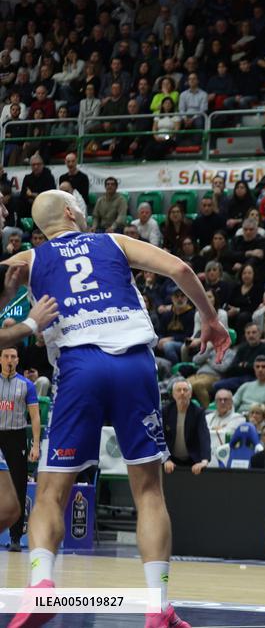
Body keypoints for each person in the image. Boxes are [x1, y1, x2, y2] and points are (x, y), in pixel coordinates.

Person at [2, 187, 229, 628]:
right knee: (149, 492)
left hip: (79, 366)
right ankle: (157, 606)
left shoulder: (29, 258)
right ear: (72, 213)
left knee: (50, 493)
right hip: (134, 364)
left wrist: (16, 301)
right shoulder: (113, 242)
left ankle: (42, 584)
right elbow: (181, 268)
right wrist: (210, 318)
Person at [0, 340, 40, 552]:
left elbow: (35, 417)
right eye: (6, 356)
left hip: (16, 437)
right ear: (0, 359)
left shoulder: (27, 385)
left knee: (18, 486)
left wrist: (35, 445)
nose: (9, 360)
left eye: (13, 357)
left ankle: (15, 537)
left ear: (18, 360)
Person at [161, 380, 211, 474]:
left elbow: (204, 436)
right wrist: (165, 459)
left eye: (185, 390)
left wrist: (204, 461)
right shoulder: (166, 411)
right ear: (173, 394)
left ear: (190, 394)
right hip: (171, 459)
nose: (182, 393)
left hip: (192, 460)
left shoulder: (198, 413)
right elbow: (160, 438)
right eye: (178, 390)